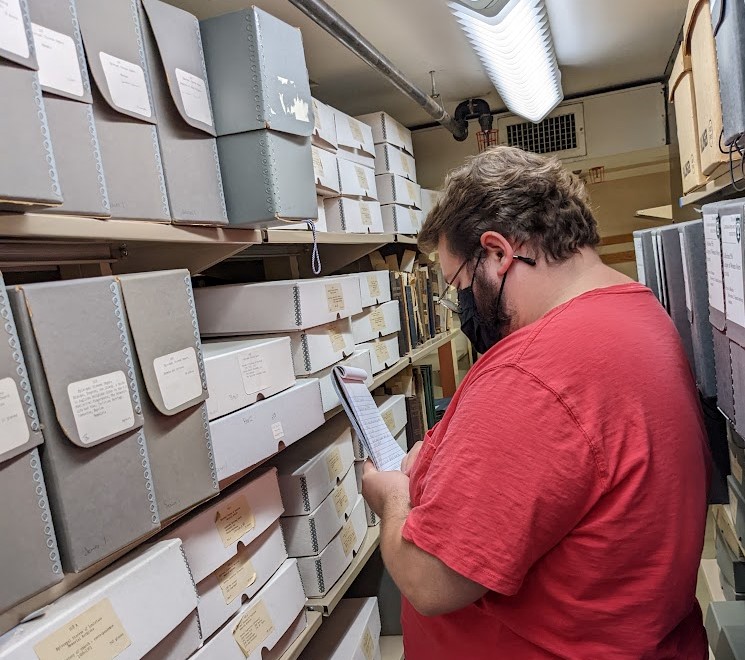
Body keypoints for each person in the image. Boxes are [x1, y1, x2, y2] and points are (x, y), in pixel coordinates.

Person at [361, 146, 710, 659]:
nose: (462, 305)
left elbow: (432, 581)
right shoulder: (636, 311)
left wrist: (393, 496)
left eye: (459, 284)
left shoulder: (537, 371)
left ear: (499, 254)